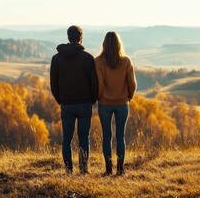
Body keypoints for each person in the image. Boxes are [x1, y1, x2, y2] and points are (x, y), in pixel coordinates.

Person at [50, 25, 98, 174]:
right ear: (81, 38)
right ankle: (83, 170)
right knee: (84, 138)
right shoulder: (88, 58)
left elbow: (53, 83)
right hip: (84, 103)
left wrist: (60, 99)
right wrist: (93, 99)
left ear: (68, 37)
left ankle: (68, 170)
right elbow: (94, 82)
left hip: (66, 103)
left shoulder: (56, 58)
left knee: (67, 138)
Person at [95, 31, 137, 176]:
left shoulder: (98, 61)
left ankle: (108, 169)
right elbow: (132, 83)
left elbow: (99, 83)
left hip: (104, 104)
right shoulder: (126, 61)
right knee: (121, 137)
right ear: (119, 44)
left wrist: (99, 97)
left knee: (107, 137)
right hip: (122, 104)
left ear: (104, 44)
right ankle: (120, 169)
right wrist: (129, 96)